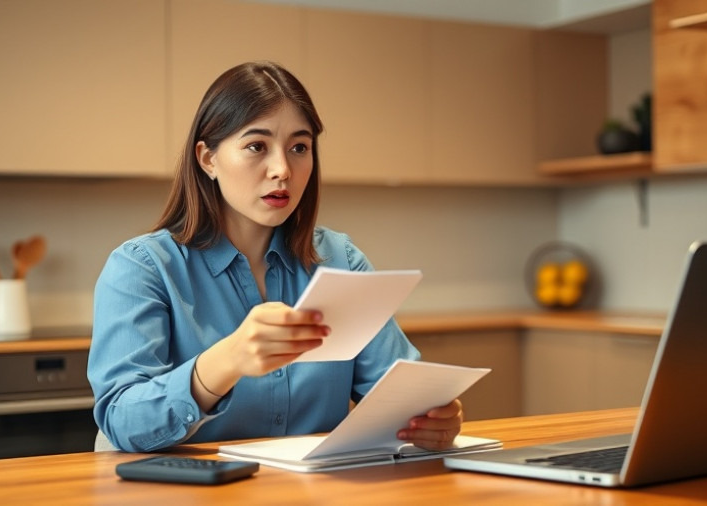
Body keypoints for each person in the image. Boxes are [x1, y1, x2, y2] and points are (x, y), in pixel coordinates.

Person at [88, 61, 463, 453]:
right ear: (207, 159)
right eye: (256, 146)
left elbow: (400, 393)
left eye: (299, 147)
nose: (283, 169)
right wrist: (228, 359)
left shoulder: (340, 260)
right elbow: (121, 419)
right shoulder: (141, 268)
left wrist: (433, 418)